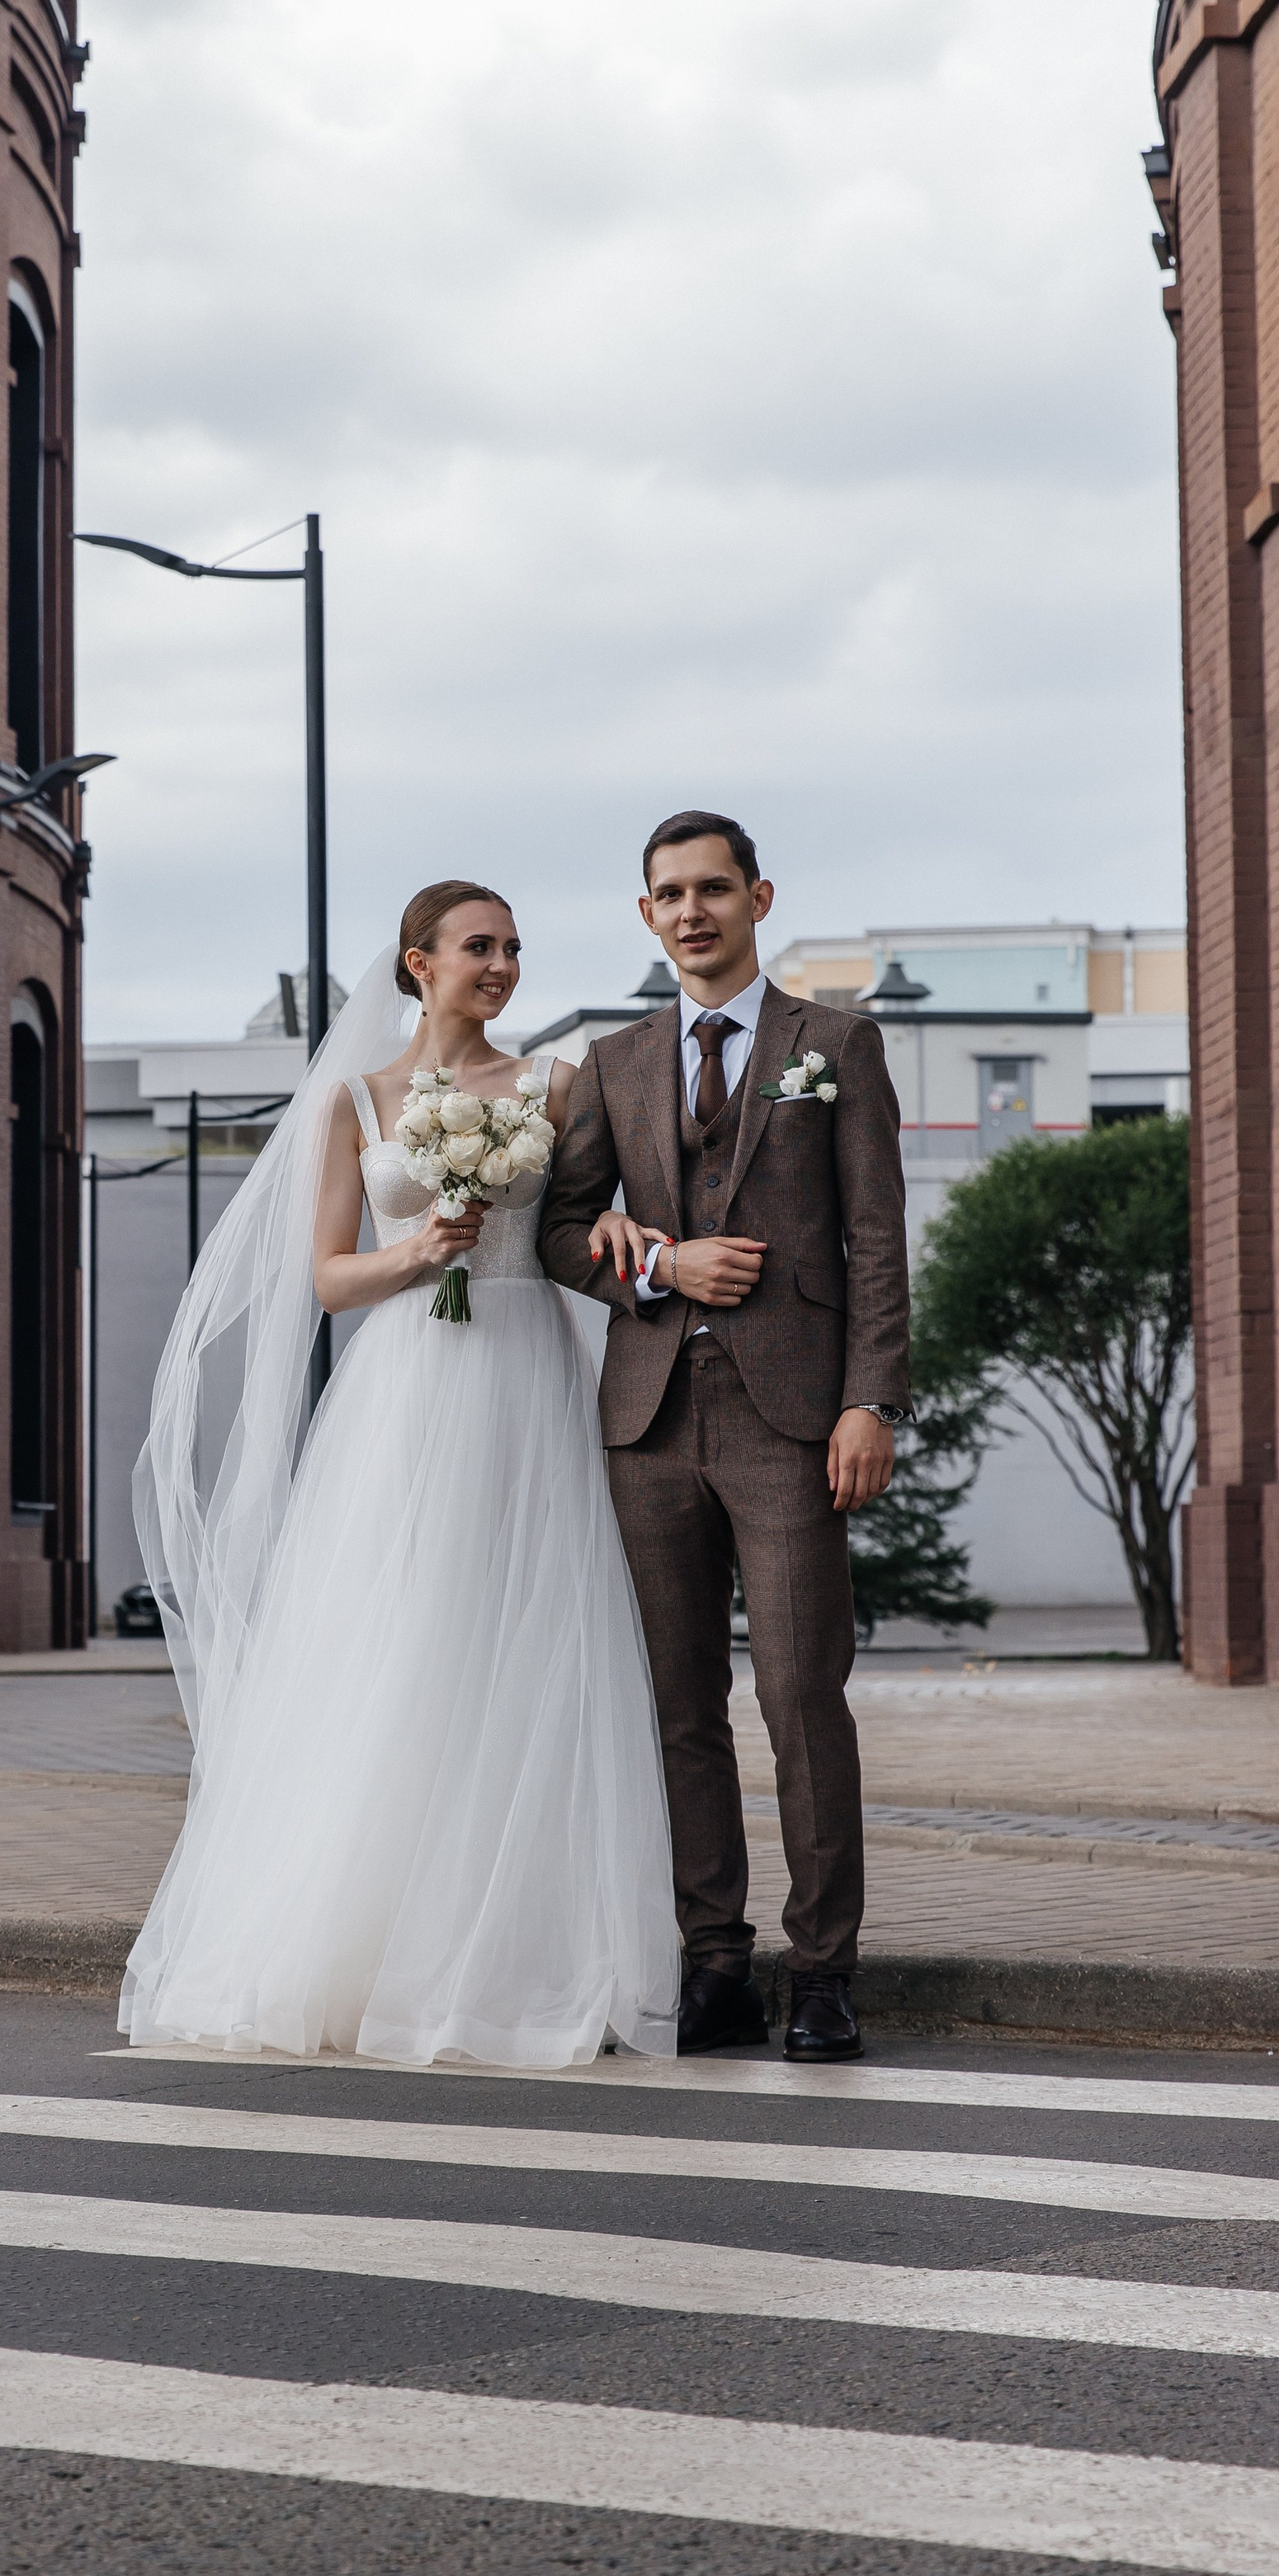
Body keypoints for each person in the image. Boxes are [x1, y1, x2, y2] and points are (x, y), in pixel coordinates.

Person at [119, 882, 681, 2068]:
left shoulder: (554, 1086)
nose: (502, 966)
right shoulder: (355, 1101)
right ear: (417, 963)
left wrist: (629, 1234)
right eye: (480, 948)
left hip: (527, 1371)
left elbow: (584, 1222)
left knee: (524, 1643)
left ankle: (509, 1950)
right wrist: (417, 1250)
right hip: (406, 1386)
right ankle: (365, 1944)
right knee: (398, 1641)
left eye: (515, 949)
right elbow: (326, 1277)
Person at [538, 812, 912, 2063]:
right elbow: (561, 1228)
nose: (692, 910)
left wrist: (875, 1399)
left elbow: (875, 1239)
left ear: (758, 897)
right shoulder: (613, 1060)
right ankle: (714, 1963)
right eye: (668, 893)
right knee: (675, 1704)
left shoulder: (836, 1045)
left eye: (713, 888)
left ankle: (822, 1971)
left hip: (794, 1419)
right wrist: (655, 1267)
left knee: (804, 1695)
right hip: (648, 1420)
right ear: (645, 914)